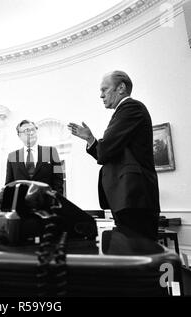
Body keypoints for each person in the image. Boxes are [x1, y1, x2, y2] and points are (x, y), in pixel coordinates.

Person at [68, 71, 160, 240]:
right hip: (129, 199)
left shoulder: (130, 108)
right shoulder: (124, 111)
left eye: (105, 89)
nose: (101, 95)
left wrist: (99, 143)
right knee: (136, 256)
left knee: (141, 256)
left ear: (121, 88)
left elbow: (105, 151)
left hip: (134, 198)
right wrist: (90, 139)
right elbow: (107, 152)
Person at [5, 120, 64, 195]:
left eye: (33, 129)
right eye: (27, 130)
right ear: (19, 135)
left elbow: (58, 180)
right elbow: (9, 184)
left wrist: (56, 200)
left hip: (45, 203)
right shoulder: (12, 156)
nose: (31, 133)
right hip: (21, 204)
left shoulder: (52, 151)